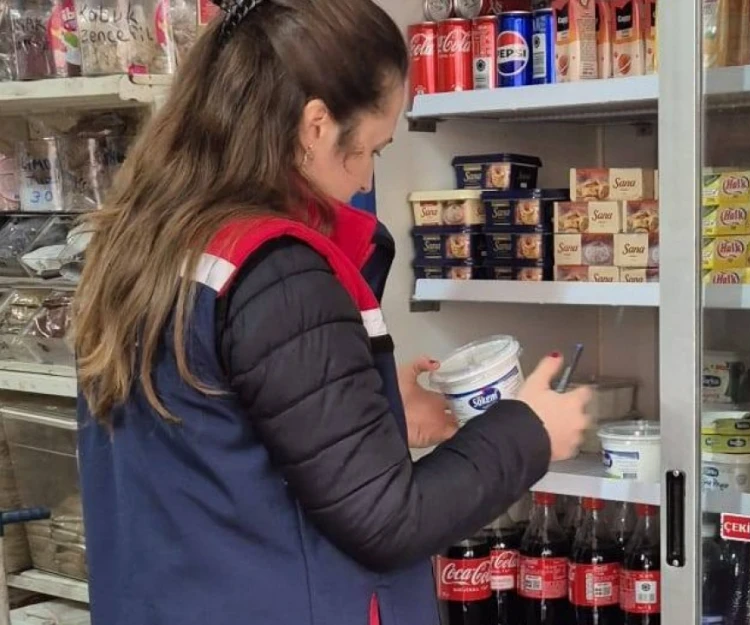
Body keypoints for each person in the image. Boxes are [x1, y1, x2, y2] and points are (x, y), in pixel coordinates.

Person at [70, 0, 591, 624]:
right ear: (316, 125)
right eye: (371, 148)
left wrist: (368, 407)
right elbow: (391, 521)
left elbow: (210, 435)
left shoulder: (144, 241)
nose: (366, 175)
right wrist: (530, 430)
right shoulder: (277, 271)